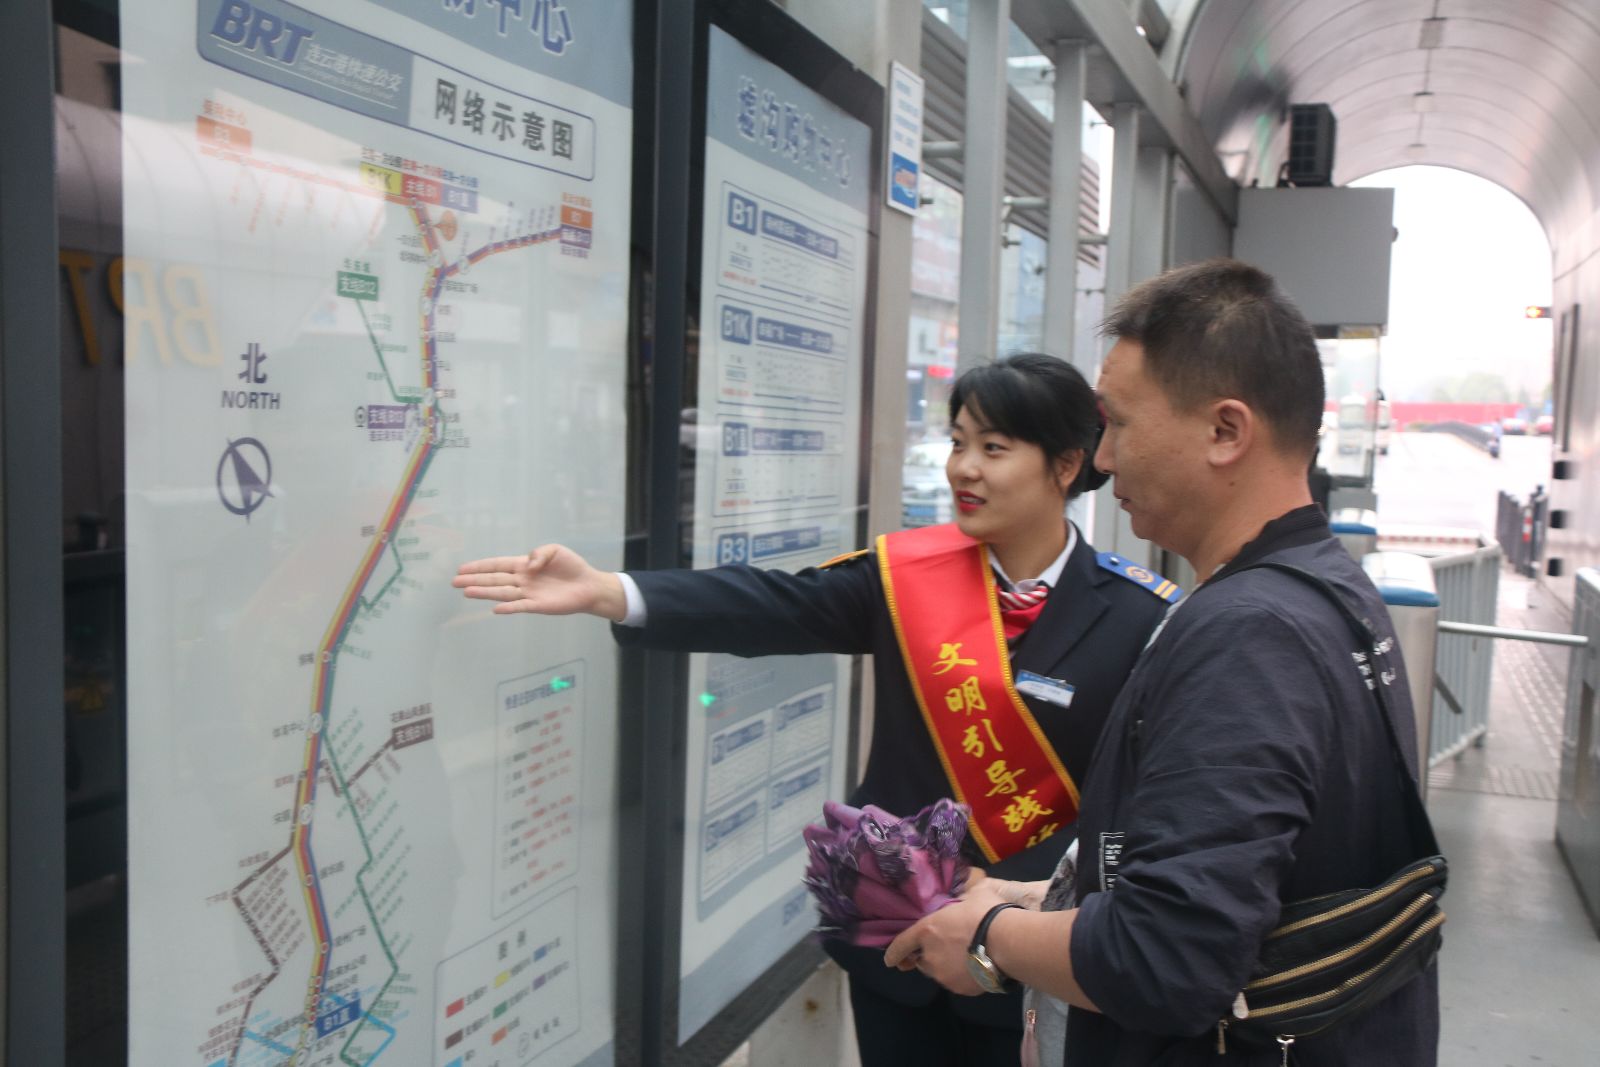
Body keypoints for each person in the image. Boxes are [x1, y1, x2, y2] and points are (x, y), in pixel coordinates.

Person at [454, 353, 1175, 1066]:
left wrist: (1026, 900)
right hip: (895, 938)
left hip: (1029, 955)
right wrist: (613, 591)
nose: (963, 468)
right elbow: (776, 604)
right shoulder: (909, 577)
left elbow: (1138, 802)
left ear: (1065, 465)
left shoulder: (1141, 616)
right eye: (957, 442)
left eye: (993, 448)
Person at [884, 259, 1440, 1066]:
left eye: (1118, 424)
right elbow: (1256, 886)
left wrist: (989, 934)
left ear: (1226, 431)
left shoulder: (1248, 635)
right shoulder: (1331, 590)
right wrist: (1051, 895)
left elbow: (1167, 959)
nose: (1104, 459)